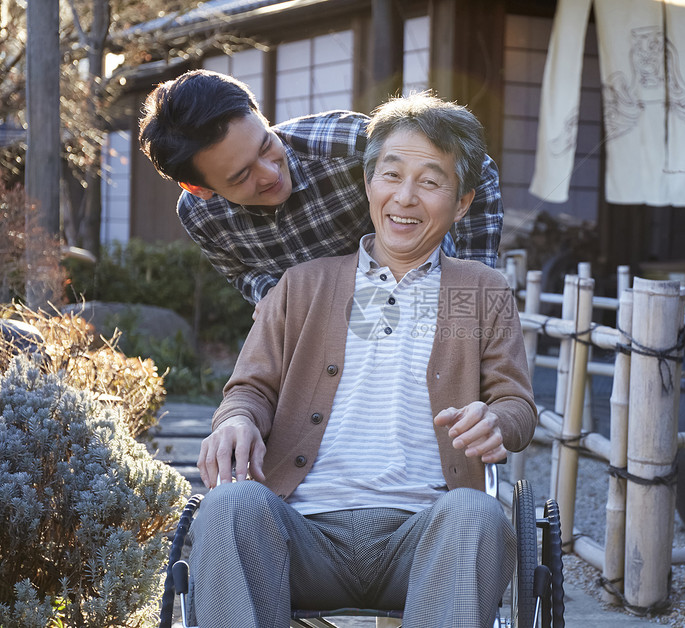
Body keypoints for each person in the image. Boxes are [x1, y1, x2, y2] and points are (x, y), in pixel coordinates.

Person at [186, 92, 537, 628]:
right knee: (228, 507)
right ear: (369, 184)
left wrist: (496, 419)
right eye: (391, 175)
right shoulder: (302, 284)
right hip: (302, 533)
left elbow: (516, 404)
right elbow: (249, 389)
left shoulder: (480, 291)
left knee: (480, 514)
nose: (406, 197)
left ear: (463, 202)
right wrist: (234, 421)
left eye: (431, 181)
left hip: (425, 534)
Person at [138, 69, 504, 305]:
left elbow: (478, 170)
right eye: (241, 176)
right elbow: (242, 273)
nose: (269, 174)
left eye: (267, 145)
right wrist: (279, 301)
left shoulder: (343, 144)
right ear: (198, 187)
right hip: (324, 334)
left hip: (425, 296)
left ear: (260, 116)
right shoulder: (200, 215)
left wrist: (470, 281)